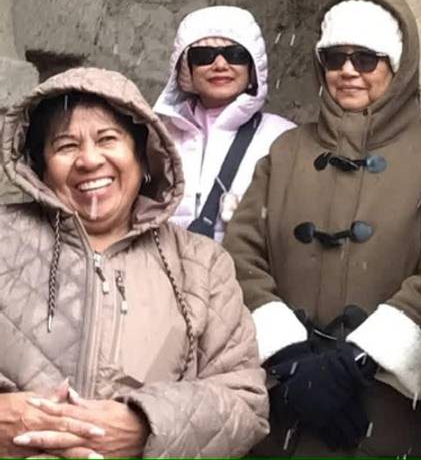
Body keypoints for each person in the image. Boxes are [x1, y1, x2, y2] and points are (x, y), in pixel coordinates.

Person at [223, 0, 421, 457]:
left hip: (383, 411)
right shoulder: (287, 152)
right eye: (334, 57)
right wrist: (289, 358)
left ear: (397, 66)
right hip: (283, 409)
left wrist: (361, 359)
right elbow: (239, 257)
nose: (347, 70)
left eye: (365, 58)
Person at [0, 67, 269, 459]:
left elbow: (245, 403)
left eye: (108, 139)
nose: (89, 160)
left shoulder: (203, 265)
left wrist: (146, 426)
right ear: (41, 166)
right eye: (65, 145)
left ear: (144, 157)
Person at [154, 6, 294, 242]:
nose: (220, 65)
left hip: (240, 266)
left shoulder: (283, 138)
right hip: (162, 264)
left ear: (252, 67)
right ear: (187, 68)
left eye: (235, 54)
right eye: (204, 56)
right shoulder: (157, 136)